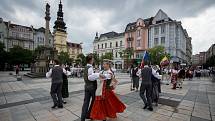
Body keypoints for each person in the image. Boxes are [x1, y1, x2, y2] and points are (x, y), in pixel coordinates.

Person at [81, 54, 99, 121]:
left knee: (86, 102)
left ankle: (83, 118)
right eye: (93, 59)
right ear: (91, 60)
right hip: (92, 87)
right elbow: (90, 77)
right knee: (94, 101)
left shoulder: (85, 67)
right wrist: (97, 75)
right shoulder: (90, 68)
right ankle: (90, 115)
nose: (93, 60)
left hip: (86, 86)